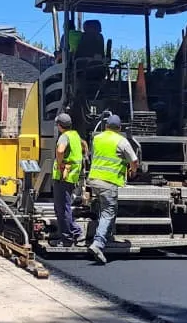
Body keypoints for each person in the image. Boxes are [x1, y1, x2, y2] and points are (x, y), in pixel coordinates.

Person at [87, 114, 138, 265]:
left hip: (94, 179)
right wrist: (132, 171)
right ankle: (98, 243)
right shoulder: (121, 141)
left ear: (106, 126)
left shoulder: (97, 138)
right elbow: (134, 160)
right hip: (109, 182)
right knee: (109, 212)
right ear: (120, 128)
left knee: (105, 210)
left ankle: (107, 236)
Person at [51, 113, 86, 247]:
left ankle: (72, 235)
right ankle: (67, 236)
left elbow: (60, 151)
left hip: (63, 177)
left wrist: (60, 164)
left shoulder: (64, 137)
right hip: (71, 177)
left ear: (60, 126)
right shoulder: (75, 135)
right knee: (62, 207)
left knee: (62, 208)